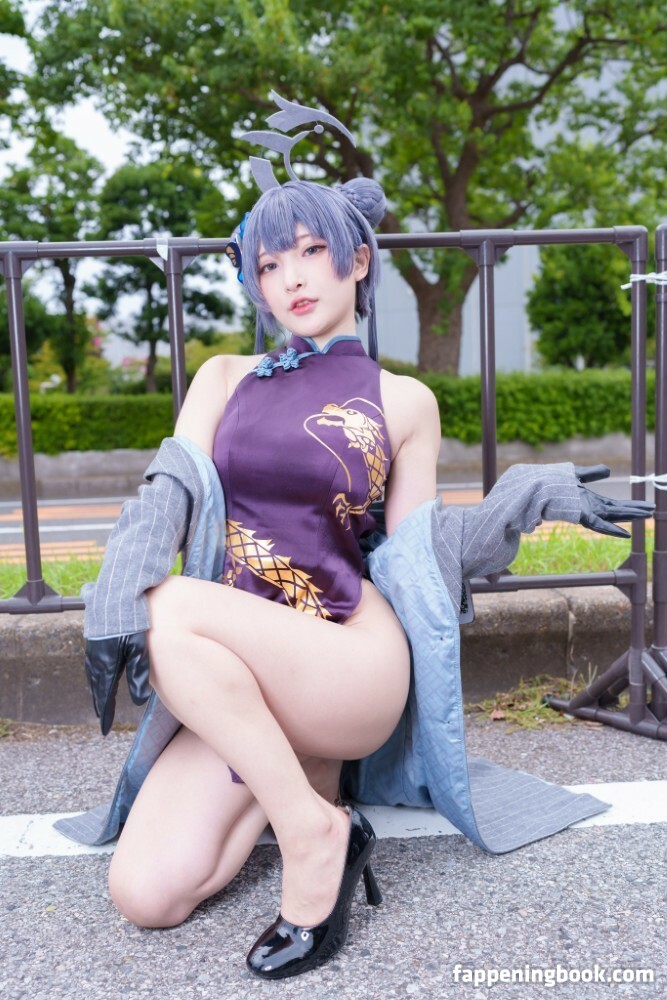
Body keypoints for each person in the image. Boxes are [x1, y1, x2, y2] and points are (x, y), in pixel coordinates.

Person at [71, 96, 654, 981]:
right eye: (269, 263)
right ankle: (310, 800)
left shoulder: (404, 400)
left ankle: (312, 839)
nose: (292, 277)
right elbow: (169, 492)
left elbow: (419, 551)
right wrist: (117, 589)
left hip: (346, 655)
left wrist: (525, 497)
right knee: (144, 895)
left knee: (167, 608)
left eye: (311, 250)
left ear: (357, 258)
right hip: (232, 660)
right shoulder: (222, 377)